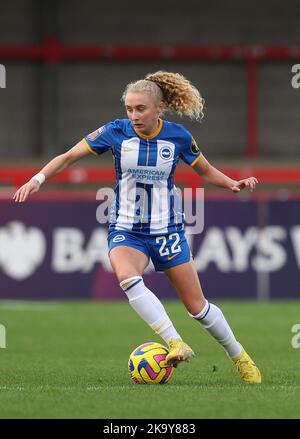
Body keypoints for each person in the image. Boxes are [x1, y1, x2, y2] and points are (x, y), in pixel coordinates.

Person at [13, 71, 261, 383]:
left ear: (160, 109)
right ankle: (175, 341)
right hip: (127, 228)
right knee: (126, 276)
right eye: (129, 109)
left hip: (167, 229)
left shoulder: (179, 137)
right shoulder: (115, 132)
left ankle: (239, 356)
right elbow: (69, 157)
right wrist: (38, 179)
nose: (133, 116)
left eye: (140, 109)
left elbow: (205, 170)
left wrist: (232, 183)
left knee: (197, 307)